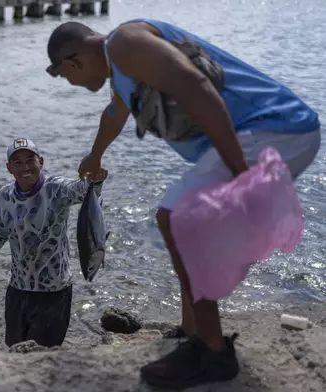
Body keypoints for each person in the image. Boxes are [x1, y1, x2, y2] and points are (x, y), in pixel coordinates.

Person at [45, 19, 320, 389]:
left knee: (175, 218)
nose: (68, 83)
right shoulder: (122, 68)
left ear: (70, 62)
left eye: (60, 75)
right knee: (175, 220)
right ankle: (193, 333)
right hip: (277, 129)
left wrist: (241, 172)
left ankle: (211, 352)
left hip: (273, 127)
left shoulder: (126, 43)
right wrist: (94, 157)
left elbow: (196, 85)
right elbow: (114, 114)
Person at [0, 138, 108, 348]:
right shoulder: (4, 196)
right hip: (18, 289)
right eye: (17, 162)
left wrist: (95, 180)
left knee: (41, 356)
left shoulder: (57, 188)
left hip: (54, 292)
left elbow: (82, 190)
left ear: (41, 162)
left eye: (30, 160)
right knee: (14, 351)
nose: (25, 167)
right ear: (9, 168)